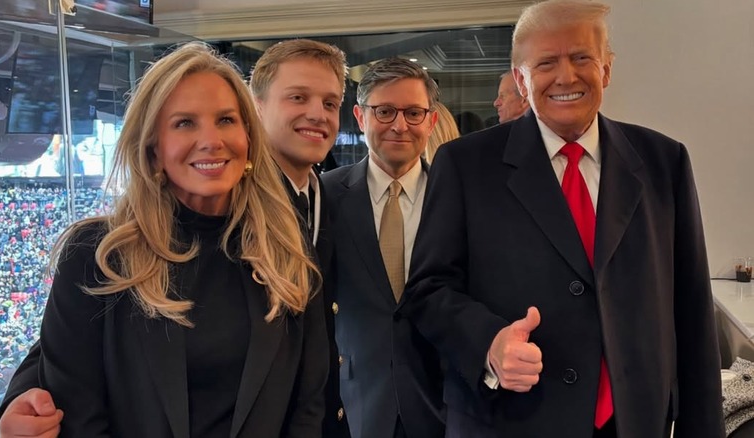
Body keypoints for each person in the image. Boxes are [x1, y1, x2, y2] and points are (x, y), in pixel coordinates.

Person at [402, 1, 724, 438]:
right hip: (509, 421)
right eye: (546, 62)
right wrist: (489, 342)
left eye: (581, 58)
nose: (566, 76)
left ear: (606, 69)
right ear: (521, 78)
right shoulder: (465, 165)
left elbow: (692, 312)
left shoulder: (664, 161)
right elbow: (426, 290)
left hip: (635, 421)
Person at [0, 41, 328, 438]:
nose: (211, 140)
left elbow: (308, 405)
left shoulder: (286, 246)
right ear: (153, 149)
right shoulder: (96, 255)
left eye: (226, 120)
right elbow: (76, 409)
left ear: (248, 137)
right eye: (184, 122)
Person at [322, 57, 444, 438]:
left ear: (432, 121)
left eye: (413, 112)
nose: (399, 125)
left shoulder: (457, 196)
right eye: (385, 111)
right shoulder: (324, 195)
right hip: (353, 401)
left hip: (442, 399)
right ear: (360, 117)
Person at [249, 38, 351, 437]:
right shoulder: (227, 203)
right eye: (298, 97)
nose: (317, 114)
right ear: (257, 105)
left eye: (330, 103)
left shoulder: (325, 192)